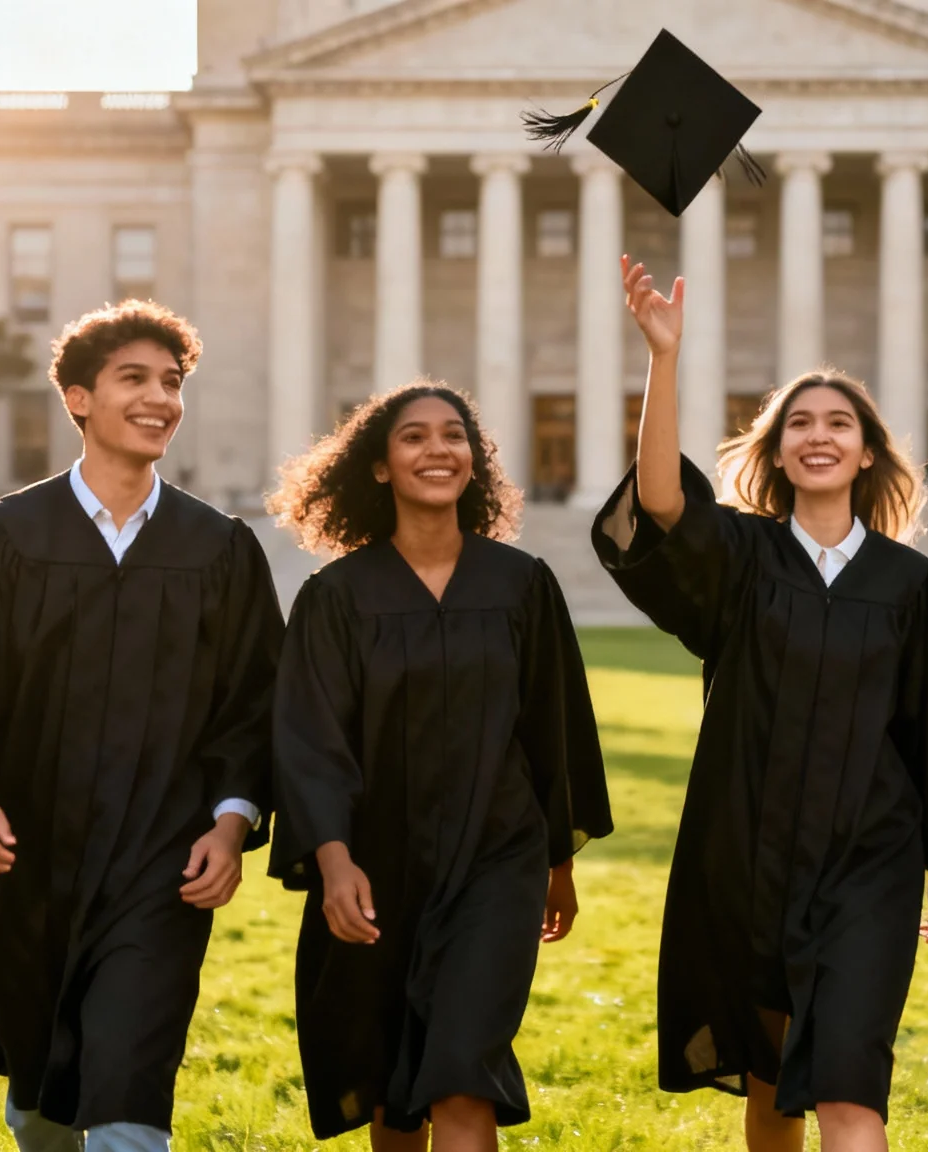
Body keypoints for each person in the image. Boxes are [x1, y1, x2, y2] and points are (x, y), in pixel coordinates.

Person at [0, 301, 283, 1152]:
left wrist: (233, 824)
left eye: (172, 383)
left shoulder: (218, 548)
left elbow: (256, 702)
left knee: (130, 1089)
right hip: (26, 856)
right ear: (79, 399)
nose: (160, 398)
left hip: (161, 862)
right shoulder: (3, 536)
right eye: (135, 379)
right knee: (43, 1092)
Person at [593, 257, 928, 1152]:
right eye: (798, 424)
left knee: (850, 1089)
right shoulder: (743, 557)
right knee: (770, 1089)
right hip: (750, 853)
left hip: (868, 860)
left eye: (838, 423)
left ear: (868, 450)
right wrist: (664, 357)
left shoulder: (910, 583)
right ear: (773, 452)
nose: (818, 436)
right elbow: (659, 504)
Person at [267, 382, 612, 1149]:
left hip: (498, 861)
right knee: (395, 1090)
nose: (437, 450)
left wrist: (558, 864)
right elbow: (310, 741)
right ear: (381, 467)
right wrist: (332, 861)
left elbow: (552, 731)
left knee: (462, 1071)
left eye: (453, 436)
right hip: (377, 863)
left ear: (475, 462)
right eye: (414, 437)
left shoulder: (521, 586)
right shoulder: (337, 598)